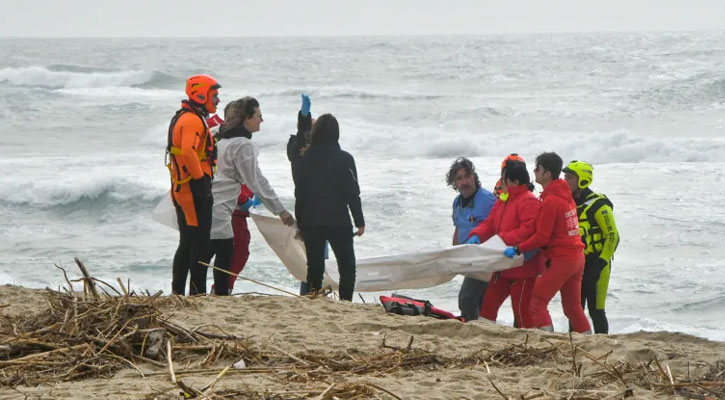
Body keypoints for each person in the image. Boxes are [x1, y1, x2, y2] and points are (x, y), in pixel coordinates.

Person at [208, 97, 295, 295]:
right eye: (258, 116)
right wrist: (280, 211)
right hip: (223, 206)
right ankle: (221, 294)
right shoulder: (242, 145)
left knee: (204, 252)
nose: (261, 120)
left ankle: (198, 294)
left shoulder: (217, 136)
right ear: (246, 119)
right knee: (229, 253)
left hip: (207, 201)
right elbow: (256, 181)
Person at [503, 152, 591, 333]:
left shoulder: (551, 200)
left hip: (562, 259)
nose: (534, 172)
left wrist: (518, 248)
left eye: (538, 168)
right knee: (573, 307)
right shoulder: (565, 196)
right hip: (577, 257)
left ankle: (546, 342)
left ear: (547, 173)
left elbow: (542, 237)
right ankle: (590, 343)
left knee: (536, 302)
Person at [293, 114, 364, 301]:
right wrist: (359, 222)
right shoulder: (344, 159)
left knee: (314, 265)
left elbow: (299, 193)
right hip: (337, 219)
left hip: (311, 219)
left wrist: (300, 222)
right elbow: (352, 192)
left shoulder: (305, 158)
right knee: (346, 265)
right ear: (336, 134)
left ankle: (314, 298)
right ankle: (346, 300)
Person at [465, 160, 544, 328]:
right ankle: (485, 336)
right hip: (501, 267)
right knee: (488, 308)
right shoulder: (504, 200)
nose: (501, 182)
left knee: (521, 312)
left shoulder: (529, 201)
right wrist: (477, 234)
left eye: (504, 178)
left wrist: (501, 238)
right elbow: (490, 223)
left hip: (522, 268)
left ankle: (527, 345)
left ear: (514, 181)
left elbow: (528, 231)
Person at [167, 74, 221, 296]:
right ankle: (196, 293)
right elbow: (189, 151)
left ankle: (179, 292)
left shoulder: (187, 117)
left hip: (183, 189)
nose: (218, 100)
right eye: (215, 95)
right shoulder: (191, 120)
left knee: (188, 242)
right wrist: (200, 182)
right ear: (201, 94)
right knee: (199, 244)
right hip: (192, 190)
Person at [563, 160, 620, 334]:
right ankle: (575, 345)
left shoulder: (599, 204)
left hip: (597, 263)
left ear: (582, 180)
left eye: (569, 177)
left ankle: (603, 345)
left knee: (596, 310)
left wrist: (600, 263)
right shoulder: (567, 203)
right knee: (575, 310)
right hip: (576, 264)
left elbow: (613, 237)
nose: (565, 181)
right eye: (564, 177)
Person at [446, 157, 496, 321]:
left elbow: (500, 227)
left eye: (467, 176)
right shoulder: (457, 203)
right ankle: (479, 328)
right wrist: (454, 254)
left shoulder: (488, 200)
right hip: (469, 260)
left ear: (474, 177)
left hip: (486, 260)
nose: (464, 182)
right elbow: (458, 228)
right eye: (459, 179)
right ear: (454, 183)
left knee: (466, 298)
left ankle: (471, 329)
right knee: (479, 301)